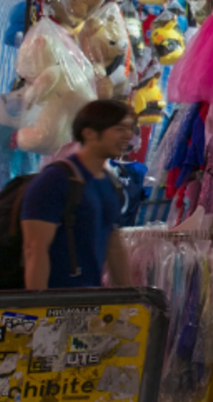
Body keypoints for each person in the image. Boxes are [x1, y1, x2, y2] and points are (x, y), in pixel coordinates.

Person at [22, 99, 135, 290]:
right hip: (56, 302)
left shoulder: (110, 182)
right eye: (119, 128)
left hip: (89, 299)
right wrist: (39, 310)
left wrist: (131, 298)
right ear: (89, 133)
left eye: (129, 128)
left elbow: (114, 245)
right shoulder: (56, 179)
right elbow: (34, 249)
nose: (128, 135)